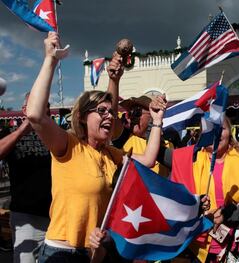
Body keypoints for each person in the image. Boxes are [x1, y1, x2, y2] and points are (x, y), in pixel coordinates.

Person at [25, 32, 167, 262]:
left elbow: (150, 159)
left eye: (111, 112)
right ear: (81, 117)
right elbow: (35, 115)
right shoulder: (68, 146)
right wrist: (50, 59)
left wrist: (157, 120)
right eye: (100, 112)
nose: (109, 116)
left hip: (96, 255)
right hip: (62, 254)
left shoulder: (111, 154)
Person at [170, 117, 239, 262]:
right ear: (202, 134)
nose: (217, 134)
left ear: (230, 131)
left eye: (222, 129)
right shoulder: (191, 160)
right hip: (198, 247)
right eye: (210, 129)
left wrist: (229, 214)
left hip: (236, 245)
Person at [0, 93, 51, 263]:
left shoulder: (56, 134)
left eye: (46, 104)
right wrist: (23, 129)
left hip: (56, 214)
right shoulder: (11, 132)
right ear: (24, 110)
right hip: (26, 216)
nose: (42, 108)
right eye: (36, 103)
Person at [120, 96, 171, 177]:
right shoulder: (123, 137)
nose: (131, 117)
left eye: (136, 112)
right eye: (129, 113)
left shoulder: (167, 144)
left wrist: (156, 120)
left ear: (151, 114)